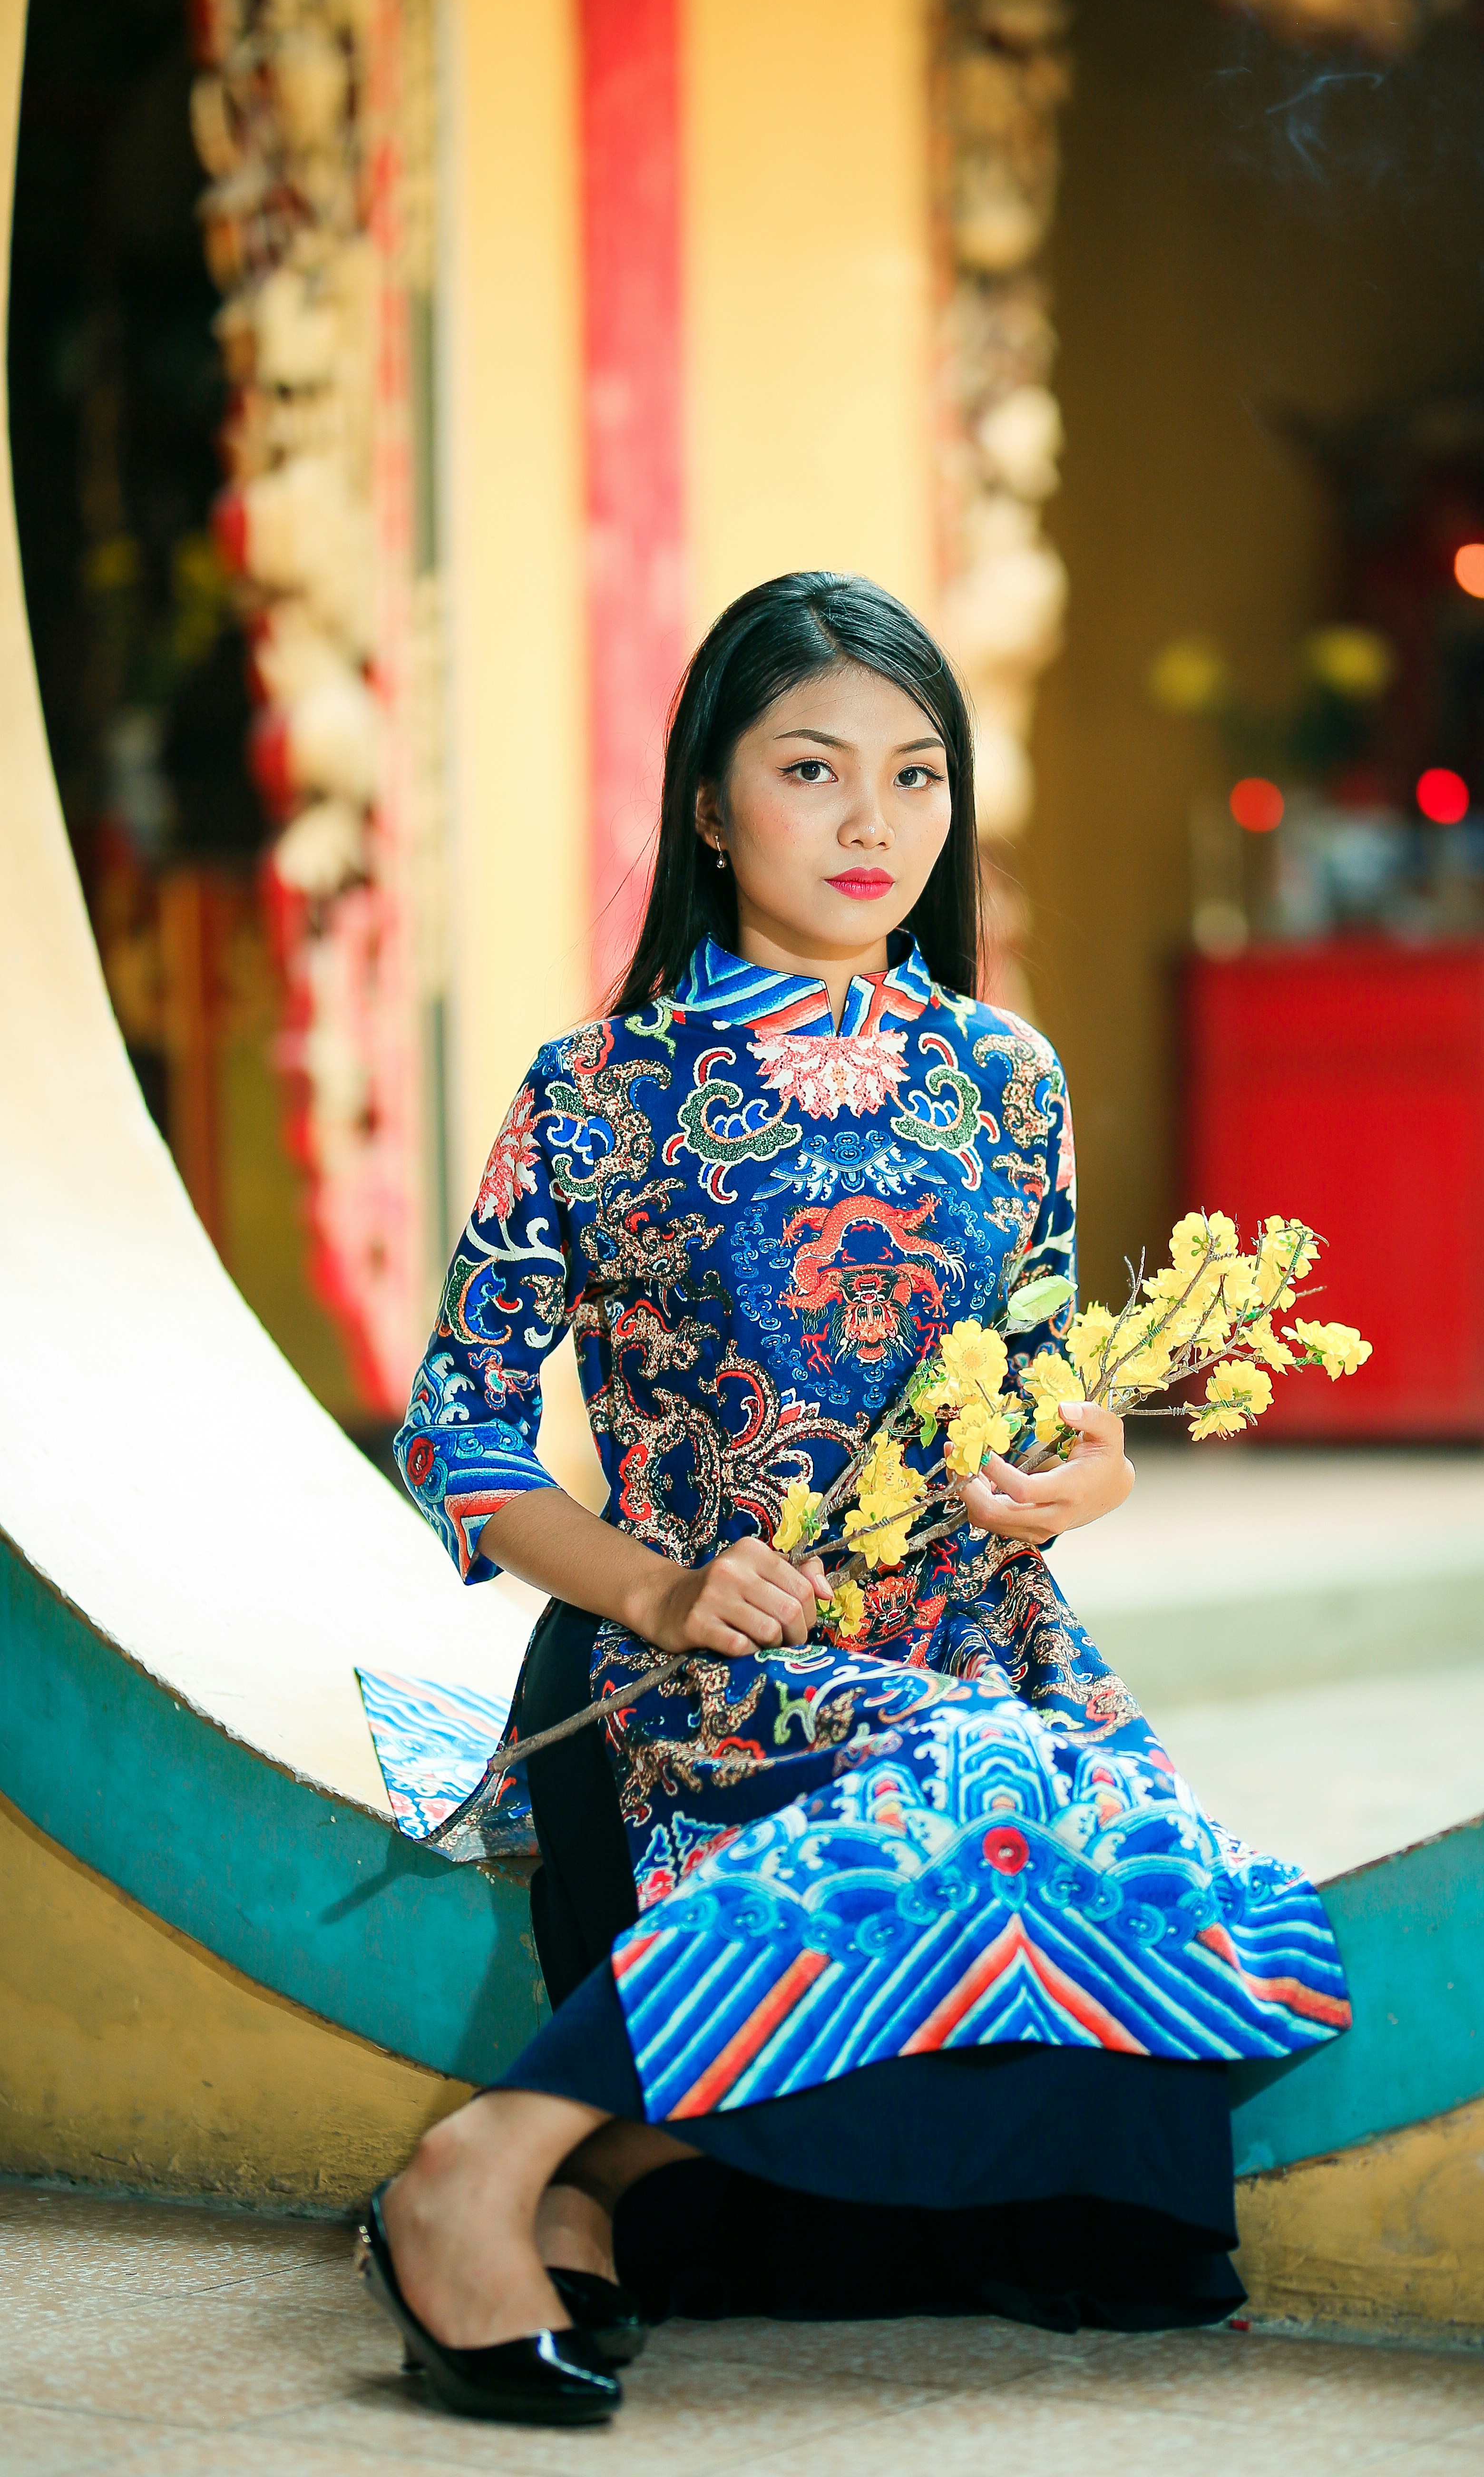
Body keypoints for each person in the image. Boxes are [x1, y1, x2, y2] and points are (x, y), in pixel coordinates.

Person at [360, 572, 1350, 2426]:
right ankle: (485, 2164)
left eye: (915, 775)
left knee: (1132, 2189)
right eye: (813, 771)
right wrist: (652, 1593)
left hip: (979, 1651)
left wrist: (1086, 1471)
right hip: (698, 1691)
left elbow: (1063, 1397)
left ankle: (613, 2181)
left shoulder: (1007, 1078)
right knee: (977, 1809)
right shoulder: (598, 1093)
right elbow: (465, 1446)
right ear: (711, 807)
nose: (873, 823)